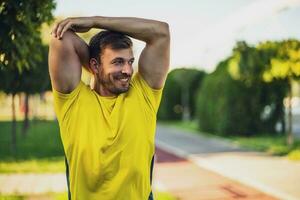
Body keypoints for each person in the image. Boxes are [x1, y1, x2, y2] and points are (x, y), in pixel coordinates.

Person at [49, 16, 170, 200]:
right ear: (94, 66)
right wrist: (97, 68)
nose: (128, 71)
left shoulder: (144, 93)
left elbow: (161, 32)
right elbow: (62, 37)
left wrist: (95, 21)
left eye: (130, 62)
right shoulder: (73, 101)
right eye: (118, 62)